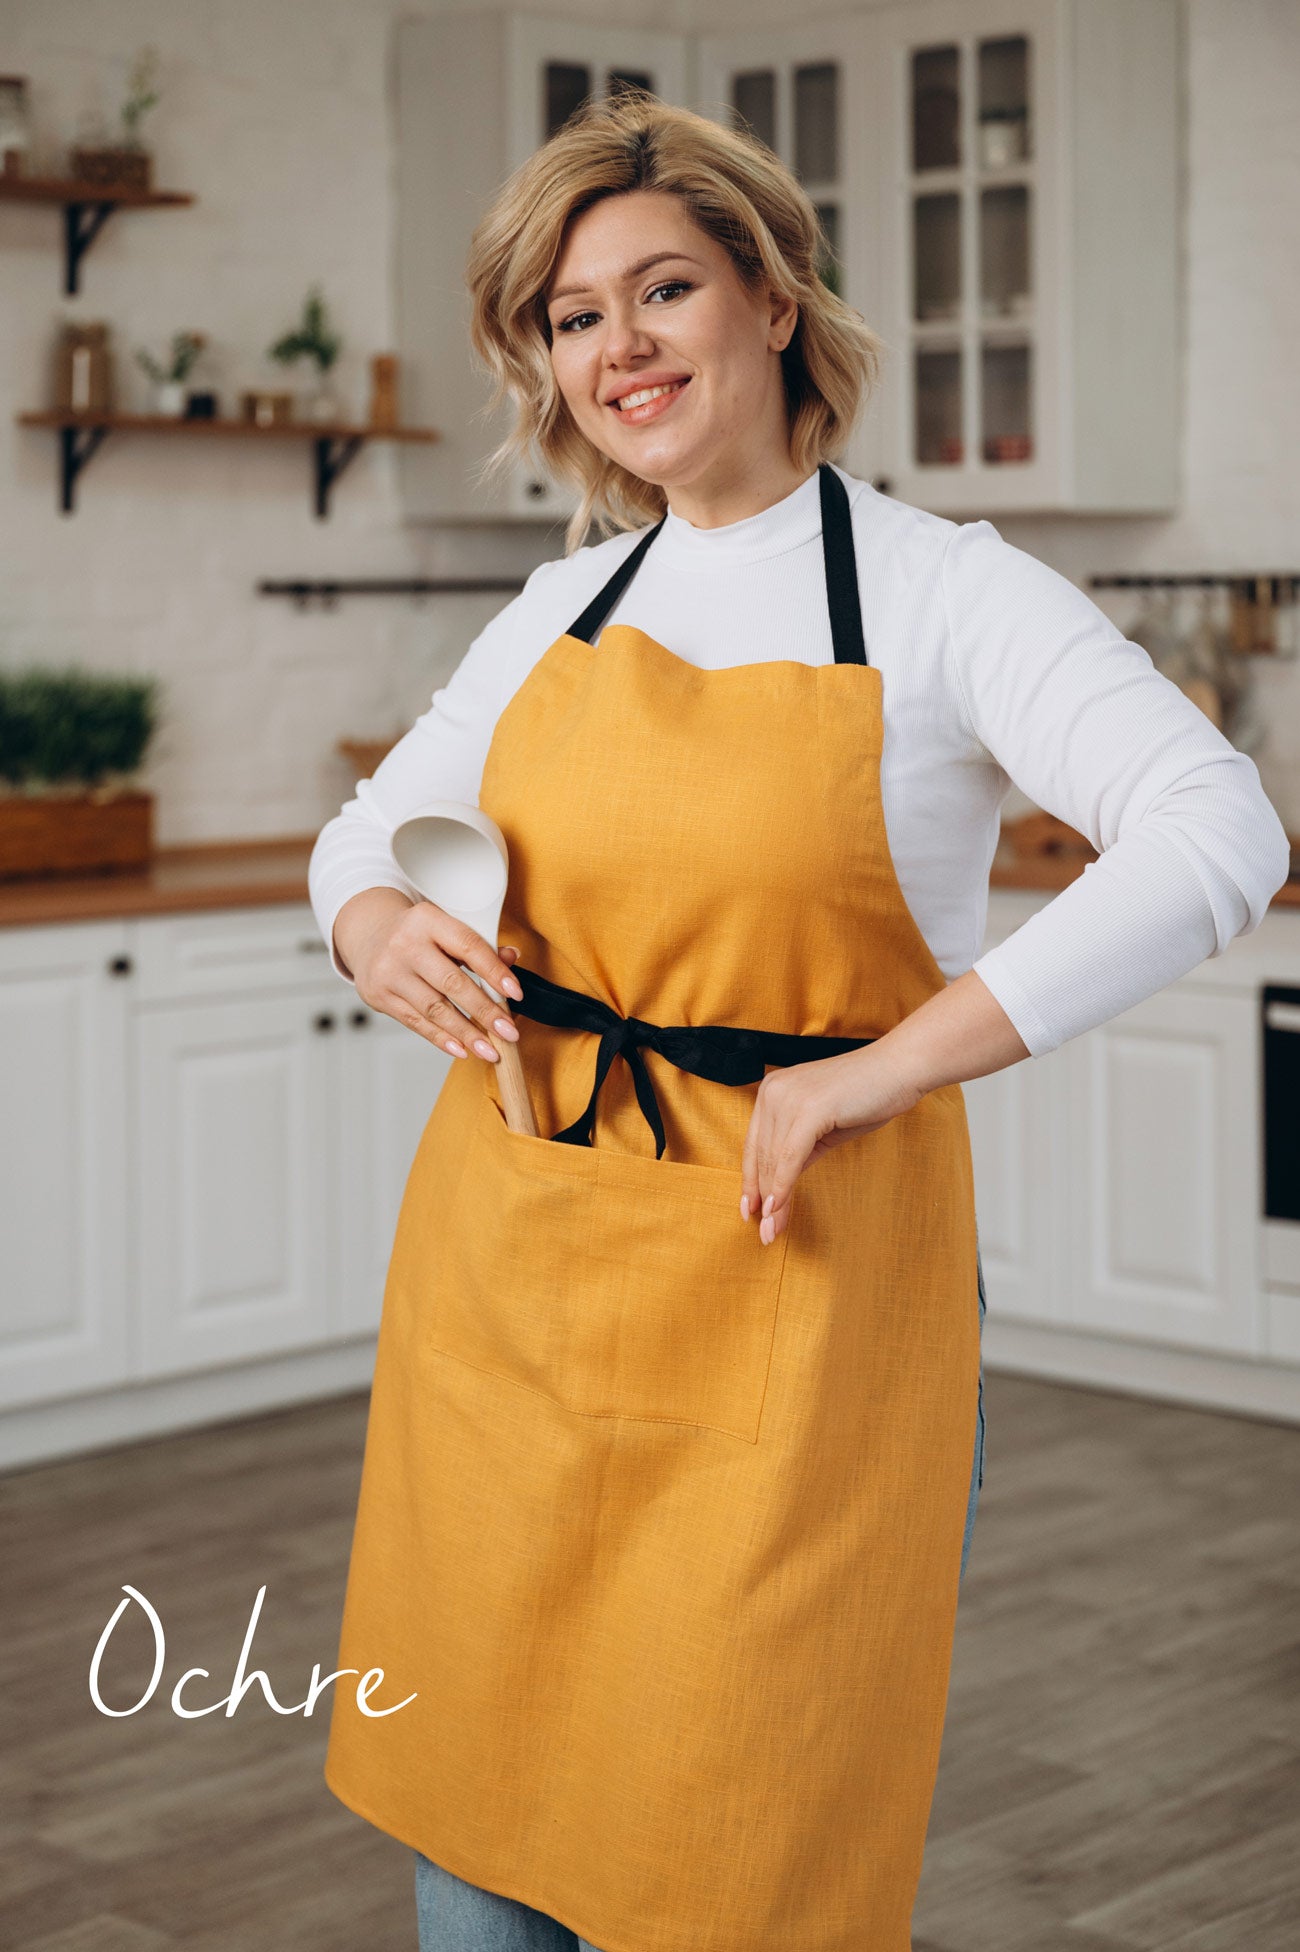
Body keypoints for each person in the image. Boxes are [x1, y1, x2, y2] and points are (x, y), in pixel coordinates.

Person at [308, 93, 1289, 1952]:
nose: (621, 347)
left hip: (800, 1296)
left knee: (746, 1846)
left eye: (661, 286)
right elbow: (376, 830)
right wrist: (368, 919)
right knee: (480, 1833)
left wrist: (889, 1066)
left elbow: (1221, 828)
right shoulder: (555, 608)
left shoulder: (941, 594)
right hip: (509, 1280)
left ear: (772, 297)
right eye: (573, 317)